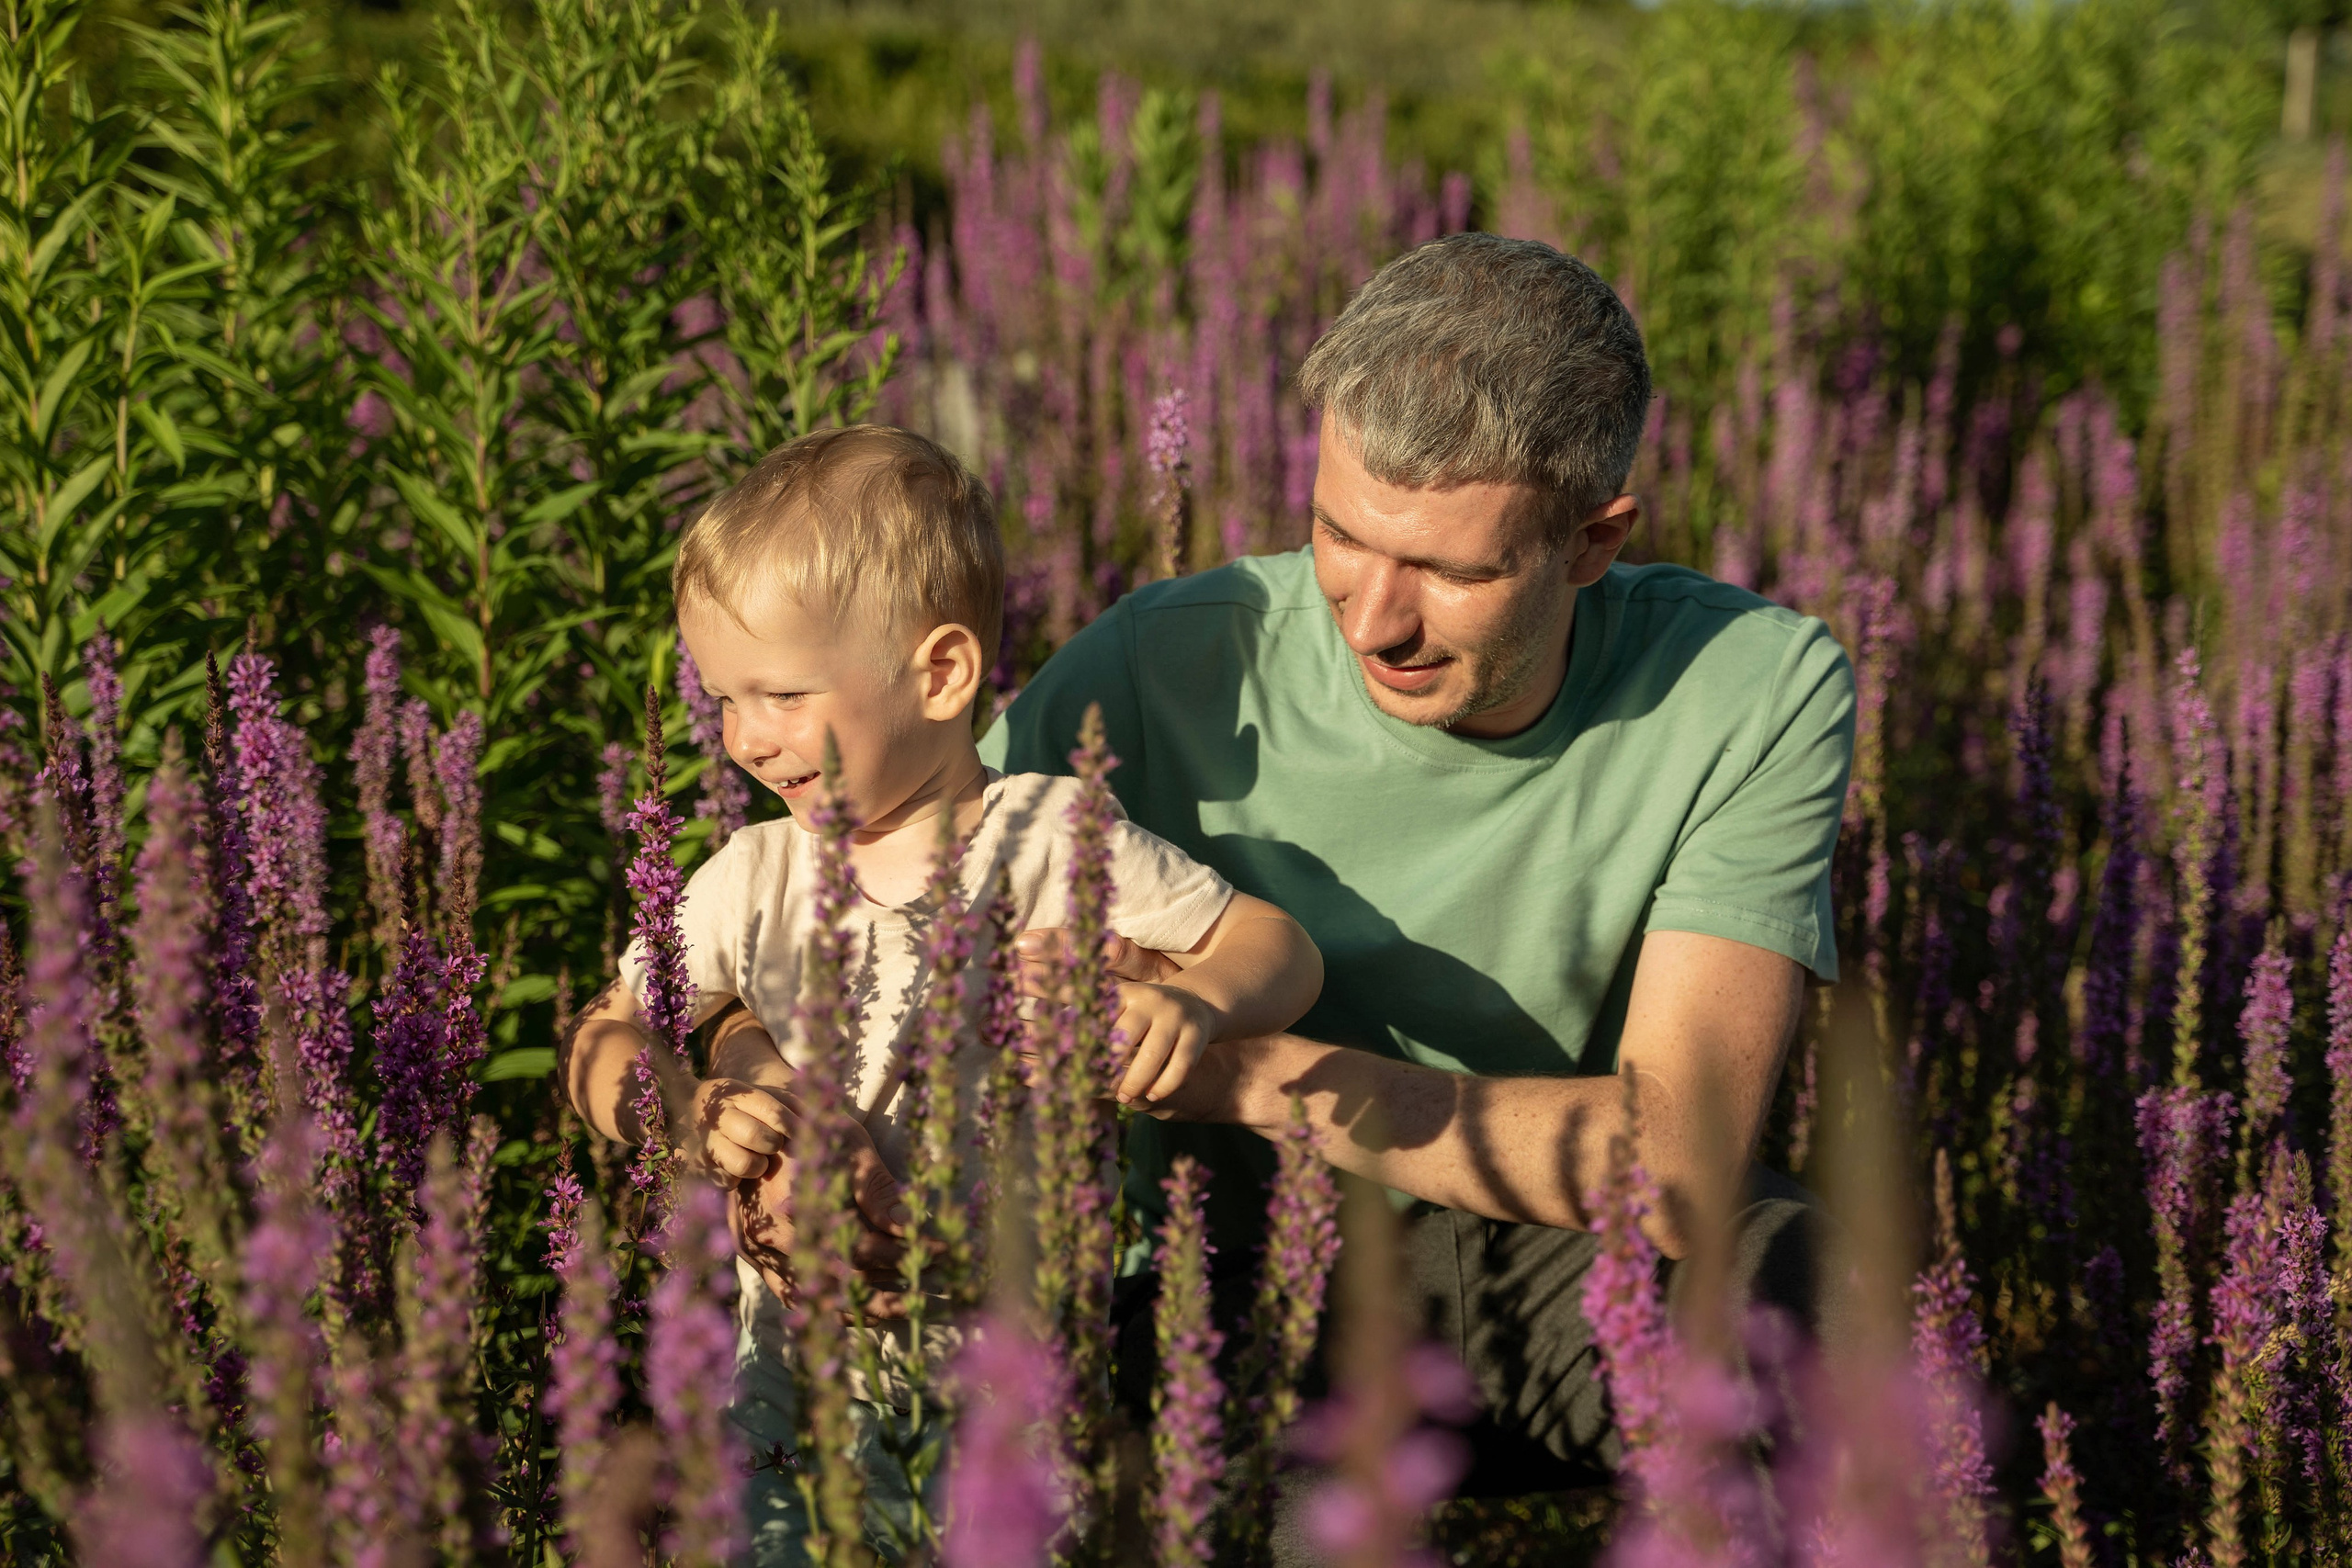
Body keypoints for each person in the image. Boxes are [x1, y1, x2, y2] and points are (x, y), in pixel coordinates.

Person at [980, 232, 1857, 1529]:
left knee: (1805, 1296)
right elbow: (875, 903)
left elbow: (1677, 1163)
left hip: (1561, 1255)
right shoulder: (1164, 664)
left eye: (1452, 571)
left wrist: (1239, 1068)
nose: (1372, 618)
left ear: (1592, 541)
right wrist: (729, 1053)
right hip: (1233, 1277)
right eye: (1337, 534)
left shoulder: (1752, 688)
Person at [556, 423, 1324, 1558]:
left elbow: (1280, 947)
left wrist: (1198, 998)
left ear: (941, 674)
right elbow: (606, 1034)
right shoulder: (747, 878)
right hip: (791, 1392)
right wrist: (688, 1110)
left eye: (780, 694)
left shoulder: (1055, 839)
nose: (745, 739)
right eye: (723, 700)